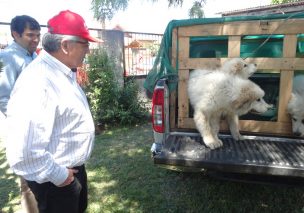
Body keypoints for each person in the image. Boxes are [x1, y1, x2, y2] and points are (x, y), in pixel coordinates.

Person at [5, 10, 102, 213]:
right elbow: (24, 153)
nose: (88, 51)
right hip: (55, 182)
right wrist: (61, 176)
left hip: (69, 173)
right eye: (85, 44)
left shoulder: (63, 71)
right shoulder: (38, 82)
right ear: (65, 45)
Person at [0, 15, 41, 213]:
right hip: (25, 130)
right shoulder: (7, 57)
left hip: (42, 127)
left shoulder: (33, 55)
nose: (35, 39)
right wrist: (24, 125)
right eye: (30, 35)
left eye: (38, 35)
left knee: (43, 179)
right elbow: (4, 98)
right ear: (15, 34)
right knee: (28, 183)